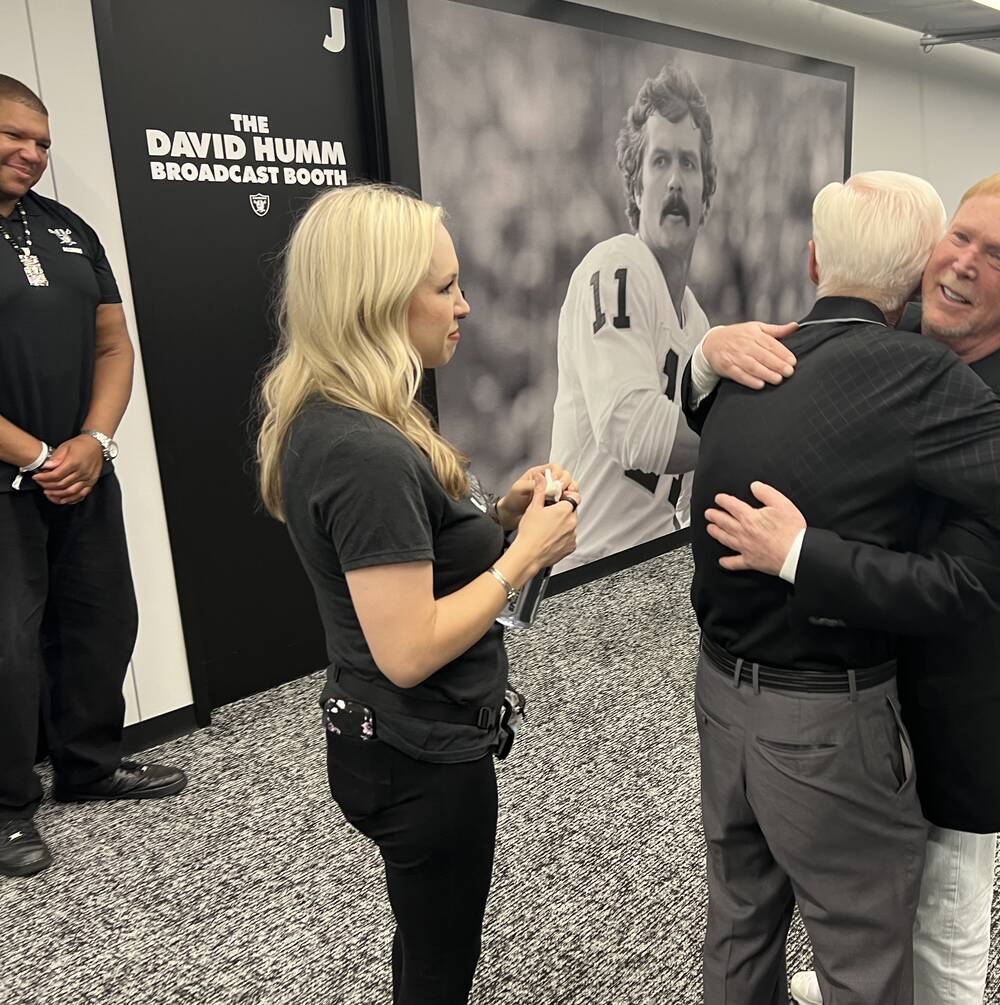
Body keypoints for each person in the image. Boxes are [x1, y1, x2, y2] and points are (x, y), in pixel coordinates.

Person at [684, 170, 1000, 1005]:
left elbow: (998, 570)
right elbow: (751, 421)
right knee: (835, 938)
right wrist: (705, 357)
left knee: (937, 956)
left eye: (998, 255)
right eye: (959, 237)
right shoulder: (890, 339)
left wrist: (805, 553)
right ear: (921, 259)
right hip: (825, 709)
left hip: (940, 719)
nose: (962, 263)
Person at [256, 184, 580, 1004]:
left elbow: (415, 555)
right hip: (417, 756)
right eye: (444, 287)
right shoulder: (362, 447)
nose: (463, 304)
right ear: (379, 297)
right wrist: (518, 561)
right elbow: (406, 650)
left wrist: (500, 516)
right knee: (439, 967)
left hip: (401, 745)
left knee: (427, 939)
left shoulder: (357, 415)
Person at [0, 75, 186, 878]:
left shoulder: (67, 229)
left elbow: (115, 344)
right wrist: (36, 455)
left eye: (43, 142)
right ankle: (8, 806)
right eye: (15, 135)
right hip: (12, 482)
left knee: (100, 619)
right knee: (6, 651)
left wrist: (93, 441)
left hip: (81, 468)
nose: (33, 153)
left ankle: (89, 763)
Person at [549, 62, 719, 571]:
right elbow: (631, 427)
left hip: (647, 573)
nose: (674, 181)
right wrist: (744, 437)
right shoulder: (616, 264)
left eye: (688, 164)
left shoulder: (698, 324)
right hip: (583, 577)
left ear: (706, 196)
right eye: (660, 161)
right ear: (635, 187)